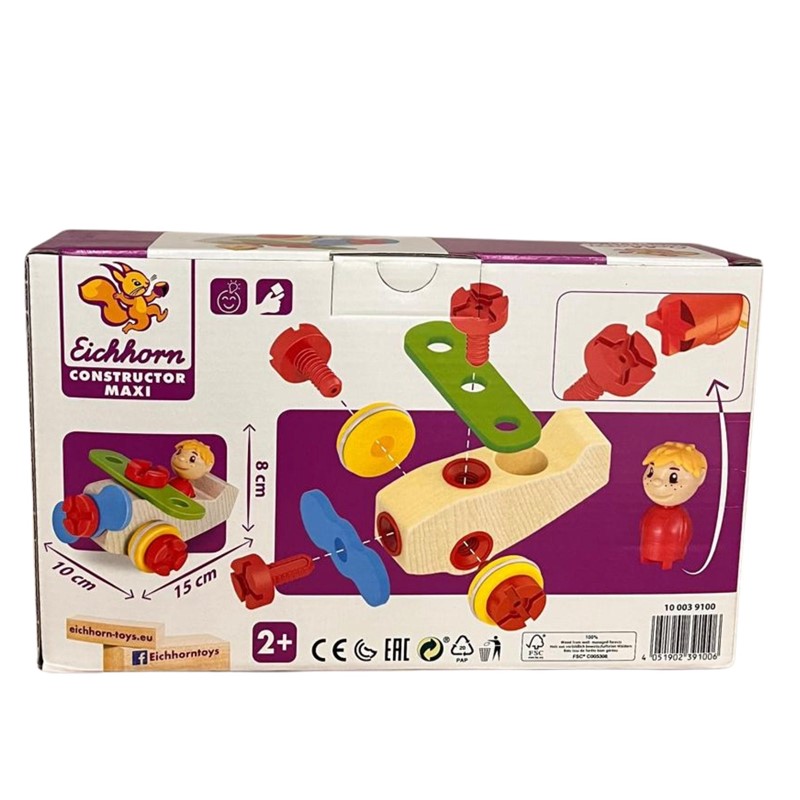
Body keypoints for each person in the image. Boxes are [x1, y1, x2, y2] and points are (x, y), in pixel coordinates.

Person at [640, 442, 707, 569]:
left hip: (672, 555)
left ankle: (667, 561)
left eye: (673, 477)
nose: (656, 481)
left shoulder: (680, 517)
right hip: (647, 550)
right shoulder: (652, 512)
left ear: (701, 478)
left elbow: (684, 534)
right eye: (651, 472)